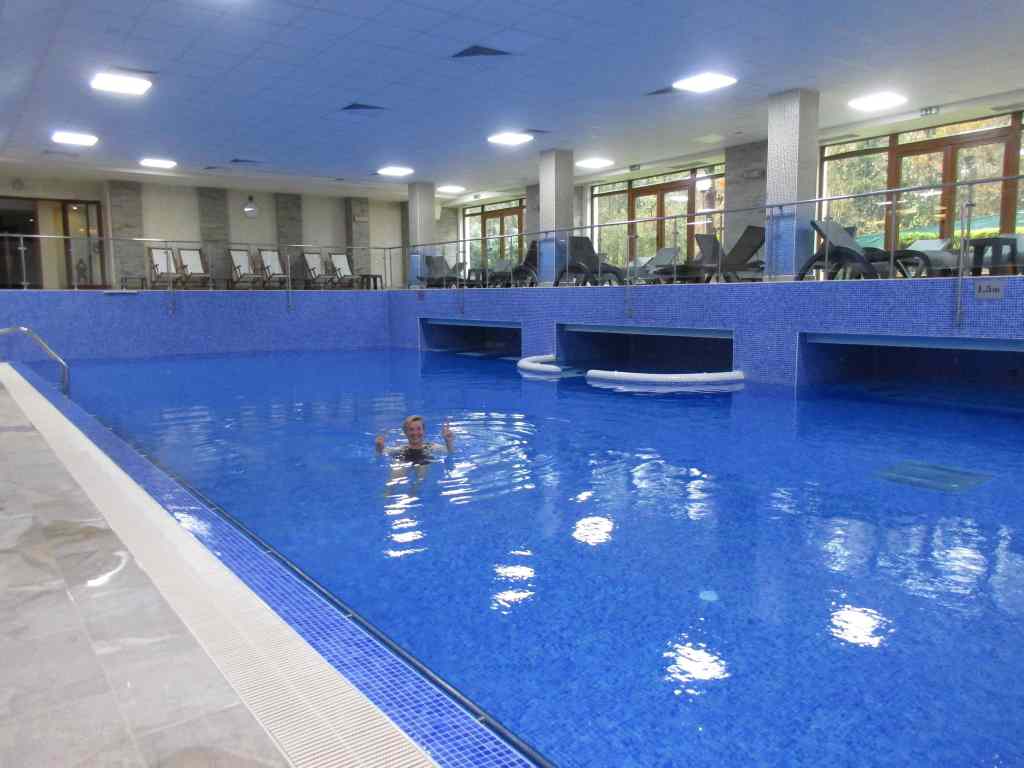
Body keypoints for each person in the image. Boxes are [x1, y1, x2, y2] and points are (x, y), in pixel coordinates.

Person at [375, 415, 454, 465]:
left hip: (424, 461)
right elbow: (382, 453)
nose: (415, 433)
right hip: (404, 462)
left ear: (424, 431)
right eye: (411, 429)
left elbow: (450, 453)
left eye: (419, 429)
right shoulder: (400, 450)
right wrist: (379, 447)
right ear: (405, 432)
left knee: (421, 472)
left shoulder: (432, 447)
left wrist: (449, 442)